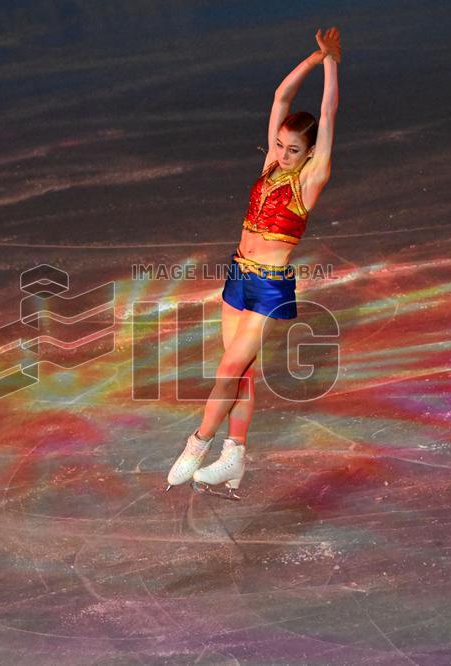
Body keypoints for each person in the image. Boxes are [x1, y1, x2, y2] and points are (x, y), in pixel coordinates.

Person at [165, 27, 341, 500]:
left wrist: (332, 64)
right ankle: (235, 456)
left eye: (293, 150)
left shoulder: (309, 180)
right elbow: (282, 96)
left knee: (227, 370)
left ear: (309, 155)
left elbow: (325, 114)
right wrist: (313, 55)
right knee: (240, 375)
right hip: (238, 276)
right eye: (280, 146)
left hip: (268, 288)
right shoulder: (269, 167)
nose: (283, 154)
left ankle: (198, 444)